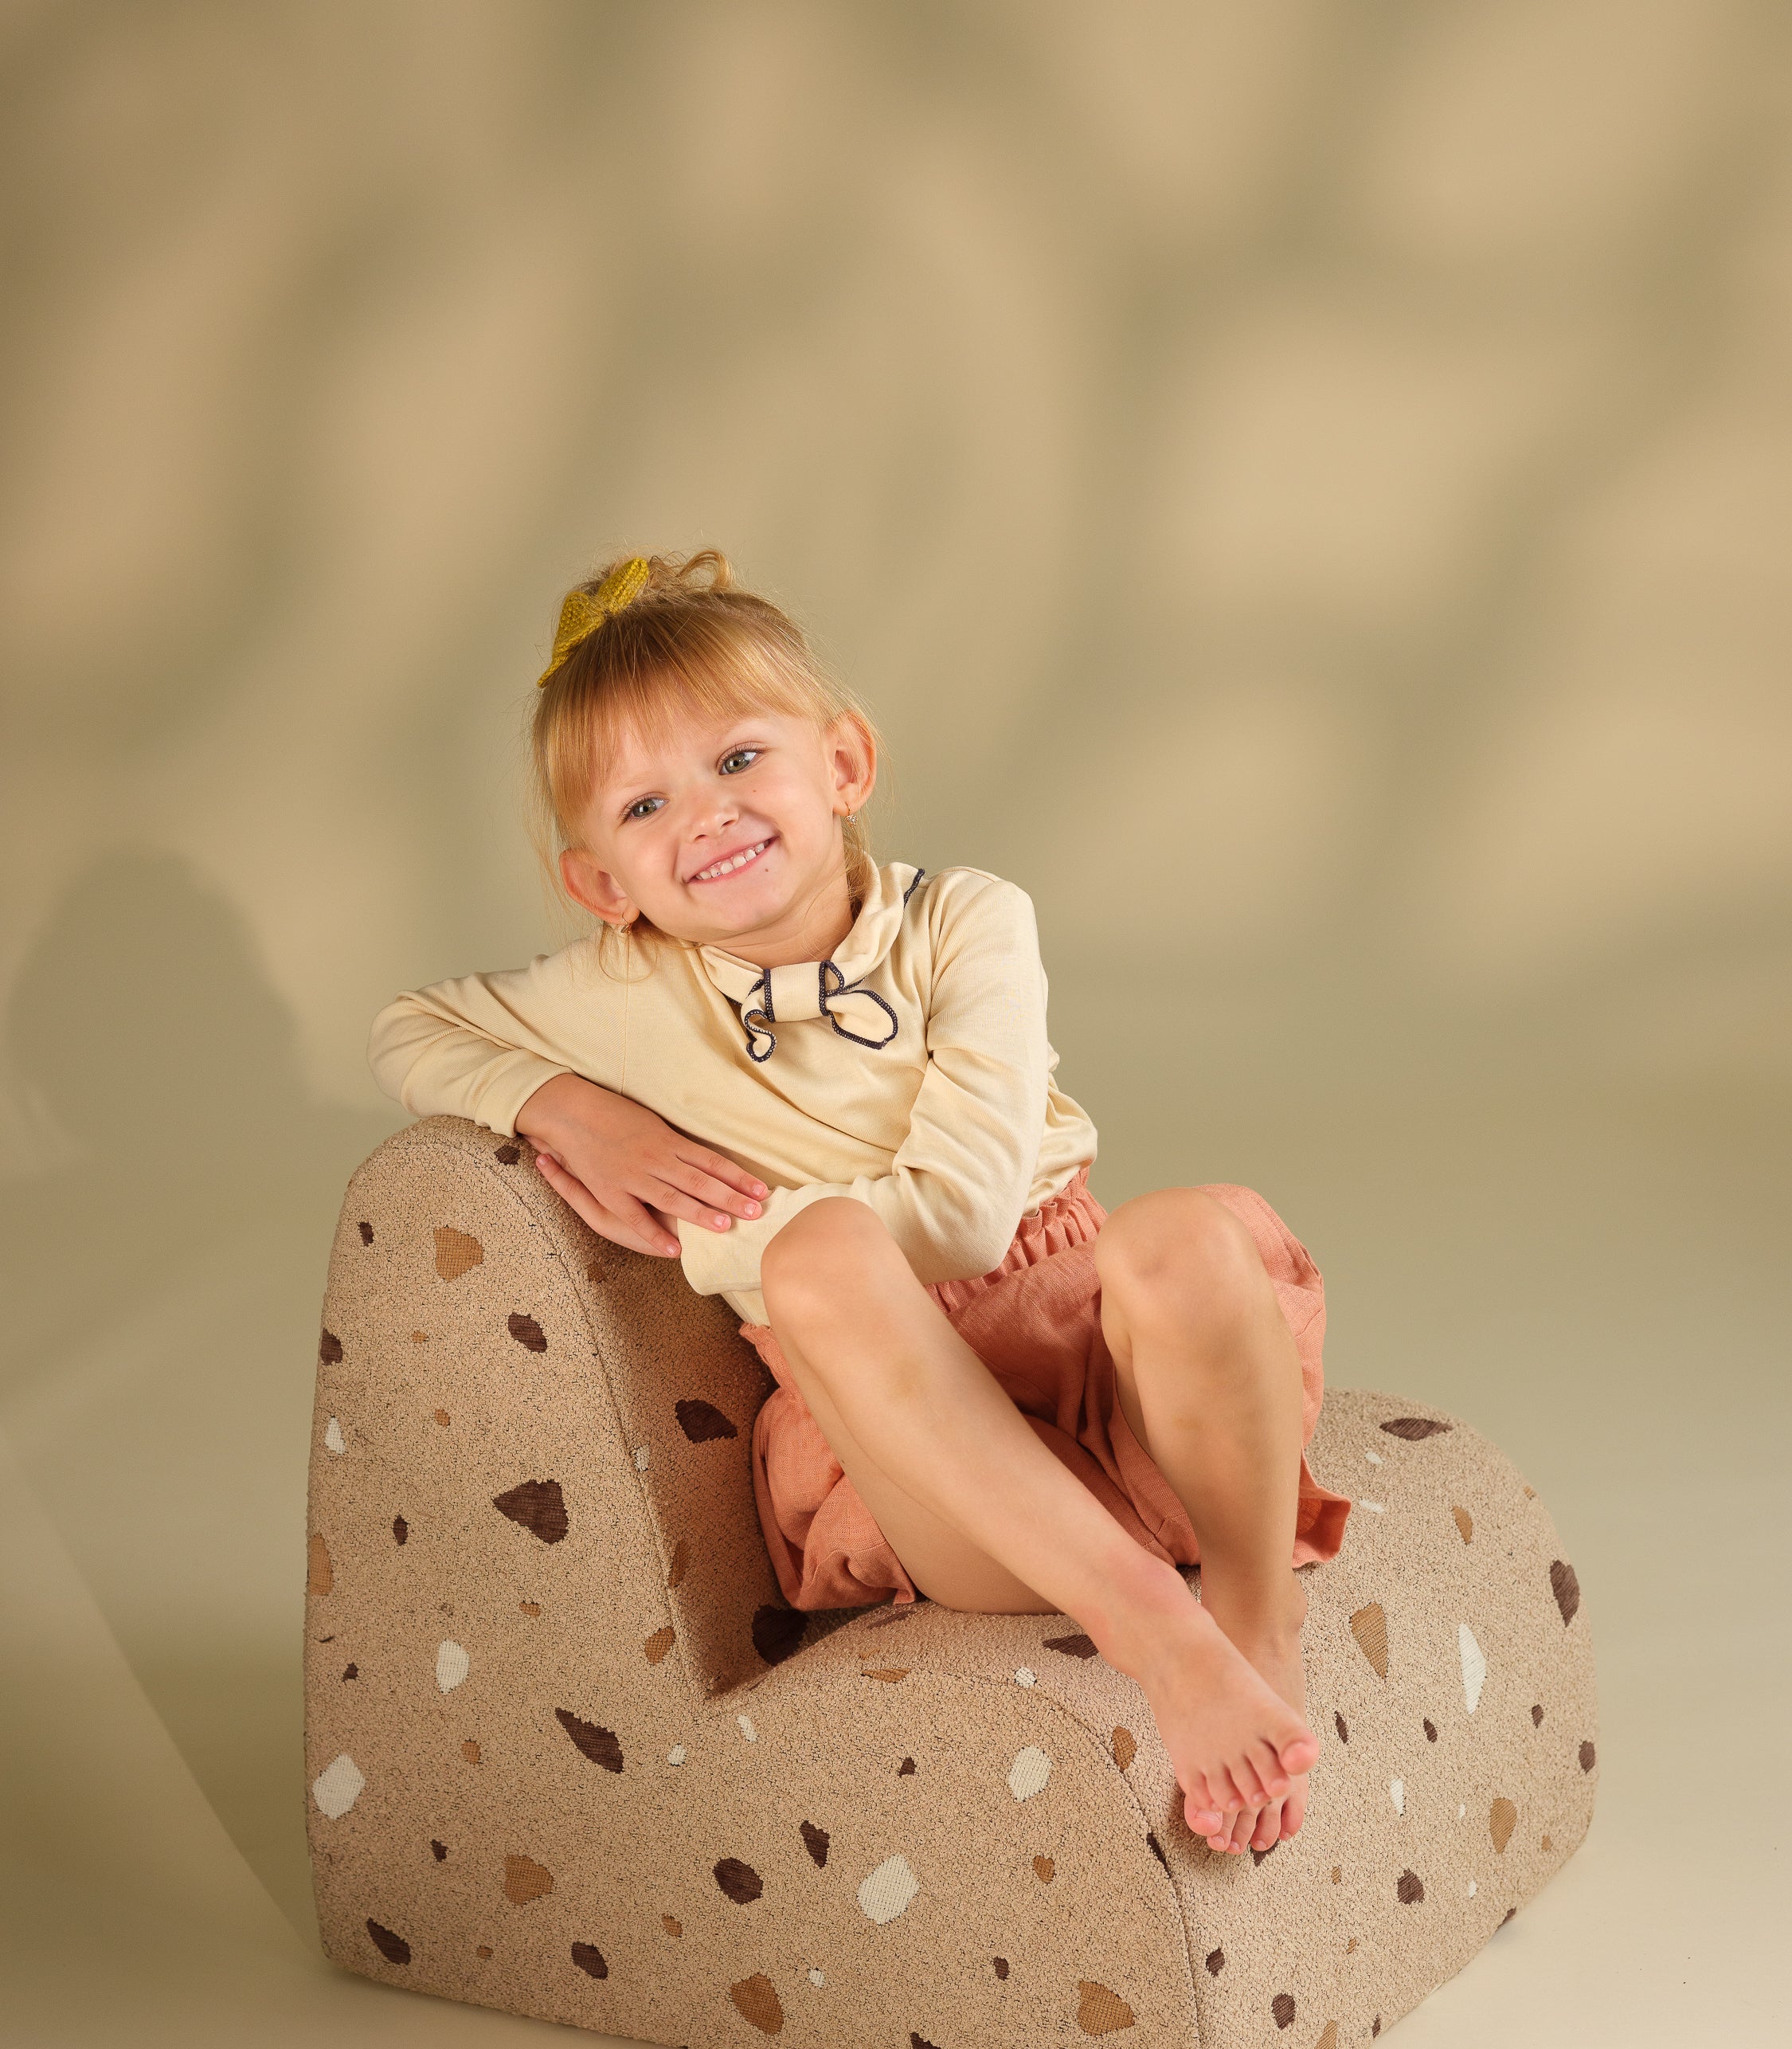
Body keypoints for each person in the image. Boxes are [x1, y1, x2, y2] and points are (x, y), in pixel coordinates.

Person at [369, 550, 1350, 1859]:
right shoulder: (615, 992)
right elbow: (409, 1030)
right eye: (644, 804)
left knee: (1180, 1231)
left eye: (735, 762)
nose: (704, 817)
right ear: (605, 884)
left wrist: (721, 1238)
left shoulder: (966, 924)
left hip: (1117, 1400)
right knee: (824, 1259)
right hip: (931, 1461)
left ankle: (1252, 1610)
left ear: (843, 766)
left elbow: (956, 1216)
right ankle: (1158, 1640)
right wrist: (568, 1105)